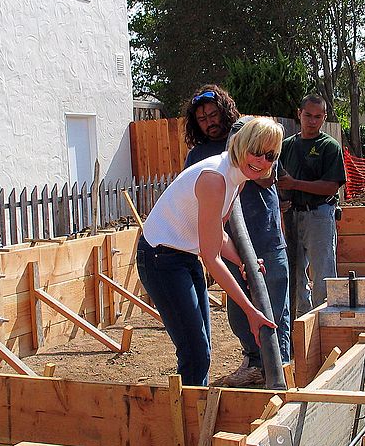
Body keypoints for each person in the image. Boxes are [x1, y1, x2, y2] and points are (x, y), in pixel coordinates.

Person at [137, 116, 281, 386]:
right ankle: (188, 410)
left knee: (201, 347)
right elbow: (211, 258)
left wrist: (243, 261)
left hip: (183, 255)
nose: (261, 161)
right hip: (160, 258)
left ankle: (195, 403)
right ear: (242, 145)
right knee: (195, 351)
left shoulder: (238, 178)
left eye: (270, 156)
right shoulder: (215, 178)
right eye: (256, 151)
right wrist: (250, 310)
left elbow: (219, 235)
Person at [182, 87, 291, 385]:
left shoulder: (252, 136)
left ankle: (280, 368)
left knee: (274, 308)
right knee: (239, 314)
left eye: (213, 114)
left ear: (225, 112)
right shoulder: (199, 155)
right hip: (228, 244)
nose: (209, 122)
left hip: (265, 238)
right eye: (202, 118)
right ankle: (255, 363)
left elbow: (268, 177)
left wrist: (247, 153)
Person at [277, 94, 346, 315]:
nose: (312, 121)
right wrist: (279, 201)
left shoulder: (329, 146)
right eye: (308, 115)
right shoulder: (286, 146)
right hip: (291, 215)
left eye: (318, 116)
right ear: (299, 114)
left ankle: (325, 320)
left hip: (319, 214)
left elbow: (331, 187)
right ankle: (301, 322)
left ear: (324, 117)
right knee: (294, 272)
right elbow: (274, 180)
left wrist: (295, 184)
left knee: (323, 273)